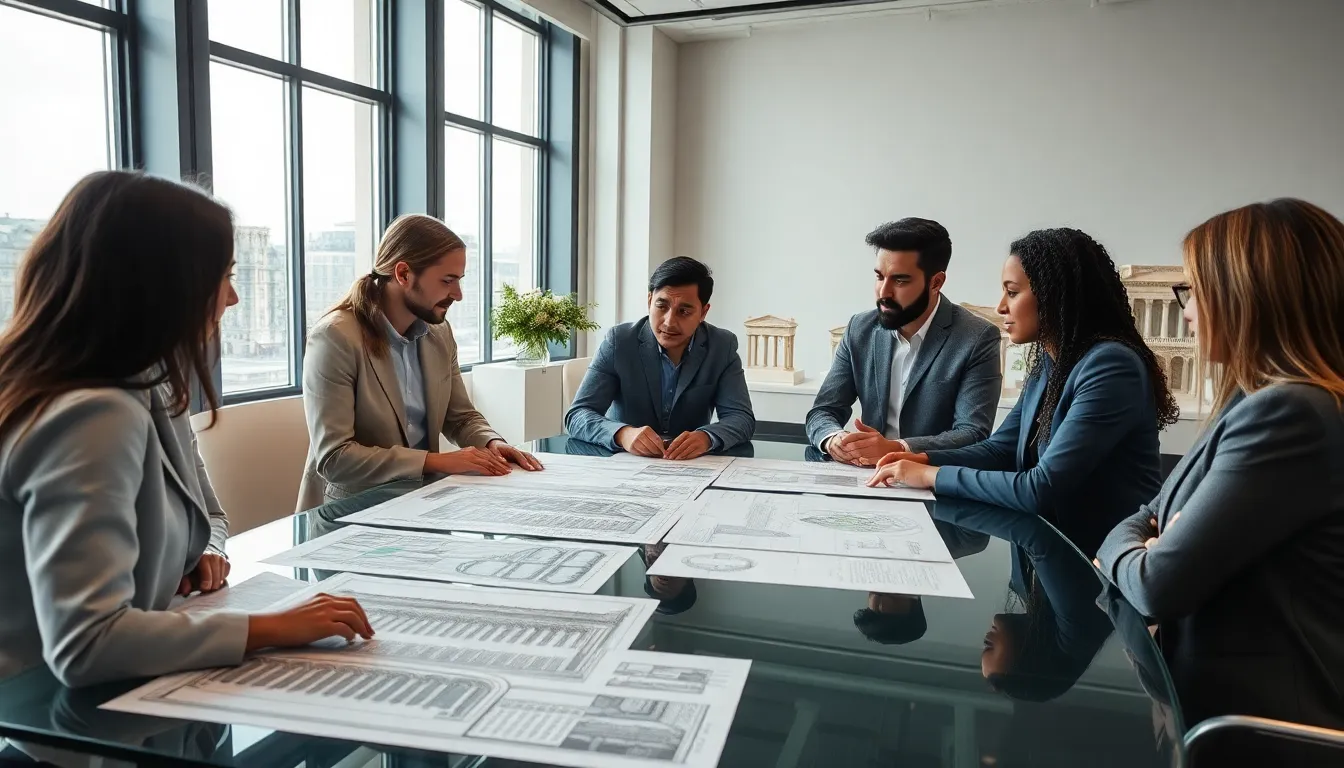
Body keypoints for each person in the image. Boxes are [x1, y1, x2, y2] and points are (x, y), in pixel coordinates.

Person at [0, 172, 372, 688]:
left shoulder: (151, 388)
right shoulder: (93, 413)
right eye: (223, 276)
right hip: (38, 707)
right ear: (163, 285)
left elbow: (208, 515)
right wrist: (269, 627)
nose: (233, 298)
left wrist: (194, 555)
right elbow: (86, 644)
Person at [1097, 199, 1344, 734]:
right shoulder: (1249, 400)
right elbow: (1148, 513)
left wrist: (1118, 550)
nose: (1186, 311)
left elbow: (1158, 584)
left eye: (1195, 291)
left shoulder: (1291, 412)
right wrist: (1147, 540)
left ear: (1250, 295)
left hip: (1261, 732)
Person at [868, 228, 1178, 558]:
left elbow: (1040, 489)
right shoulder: (1050, 362)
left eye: (1012, 293)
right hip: (1047, 556)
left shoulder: (1111, 365)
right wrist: (924, 458)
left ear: (1055, 296)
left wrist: (932, 475)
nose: (1001, 306)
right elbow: (1000, 450)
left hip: (1099, 566)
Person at [298, 214, 542, 511]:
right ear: (403, 274)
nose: (458, 295)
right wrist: (437, 462)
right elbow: (335, 458)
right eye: (447, 281)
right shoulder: (335, 337)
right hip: (354, 510)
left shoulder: (439, 333)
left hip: (424, 502)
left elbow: (461, 417)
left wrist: (492, 443)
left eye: (459, 280)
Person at [807, 218, 1002, 465]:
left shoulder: (977, 337)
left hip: (932, 476)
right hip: (865, 474)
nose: (883, 292)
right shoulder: (859, 328)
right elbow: (823, 411)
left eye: (900, 280)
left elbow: (973, 433)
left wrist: (899, 447)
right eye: (880, 277)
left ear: (936, 282)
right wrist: (834, 438)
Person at [564, 257, 755, 460]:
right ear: (649, 301)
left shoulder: (722, 346)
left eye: (684, 311)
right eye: (661, 306)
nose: (669, 322)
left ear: (703, 312)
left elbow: (741, 418)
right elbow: (577, 416)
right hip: (626, 462)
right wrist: (622, 434)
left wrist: (707, 437)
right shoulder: (619, 342)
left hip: (689, 464)